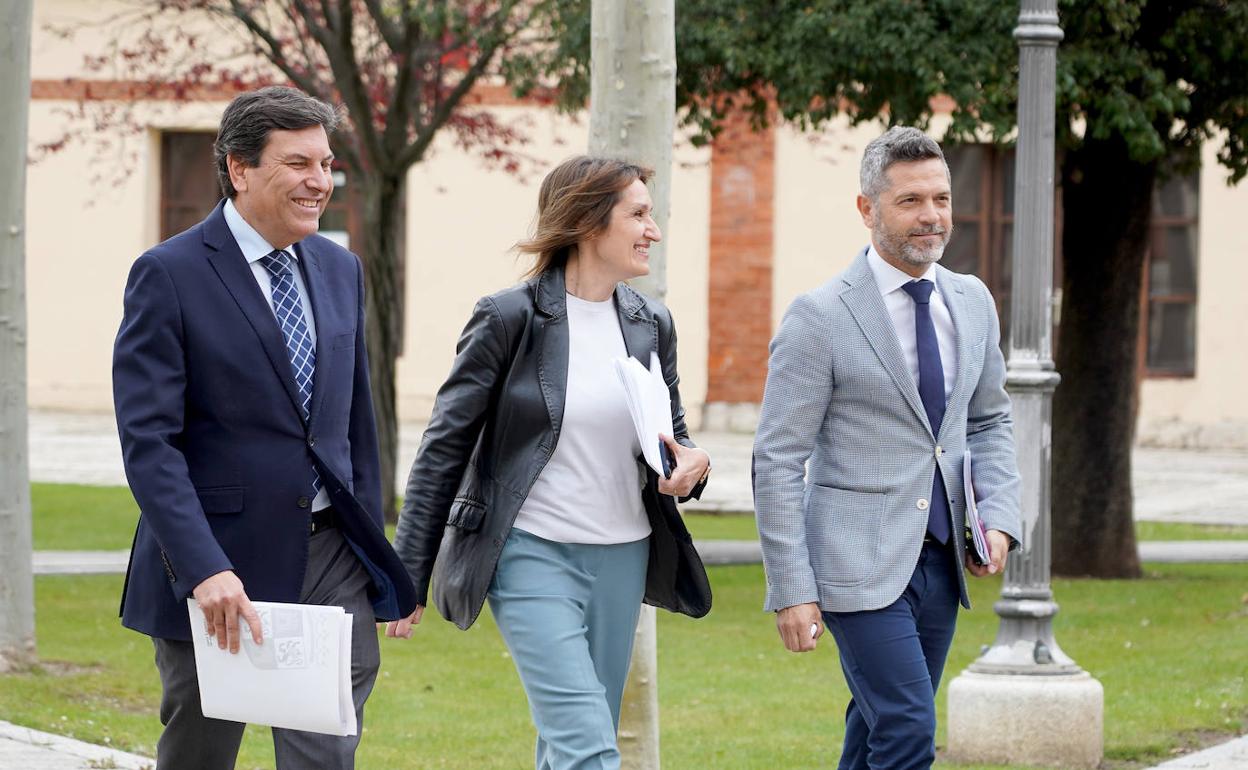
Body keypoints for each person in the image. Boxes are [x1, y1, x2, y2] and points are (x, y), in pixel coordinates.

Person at [112, 85, 417, 770]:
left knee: (324, 751)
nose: (321, 183)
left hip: (330, 558)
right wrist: (202, 567)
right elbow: (149, 442)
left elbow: (353, 427)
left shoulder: (342, 269)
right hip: (219, 565)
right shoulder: (169, 274)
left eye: (327, 164)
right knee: (200, 755)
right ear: (239, 168)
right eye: (299, 164)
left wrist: (375, 555)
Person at [387, 155, 712, 770]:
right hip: (529, 552)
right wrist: (408, 573)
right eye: (639, 215)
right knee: (589, 747)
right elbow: (443, 448)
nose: (654, 230)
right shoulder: (509, 317)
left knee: (568, 743)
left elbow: (674, 440)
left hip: (624, 555)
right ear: (590, 224)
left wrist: (691, 466)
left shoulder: (651, 324)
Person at [752, 126, 1023, 770]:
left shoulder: (972, 300)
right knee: (907, 729)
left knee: (876, 726)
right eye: (909, 201)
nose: (931, 216)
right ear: (867, 209)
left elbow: (988, 421)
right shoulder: (819, 315)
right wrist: (791, 589)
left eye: (941, 198)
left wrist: (1002, 517)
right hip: (853, 565)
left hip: (941, 560)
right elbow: (778, 458)